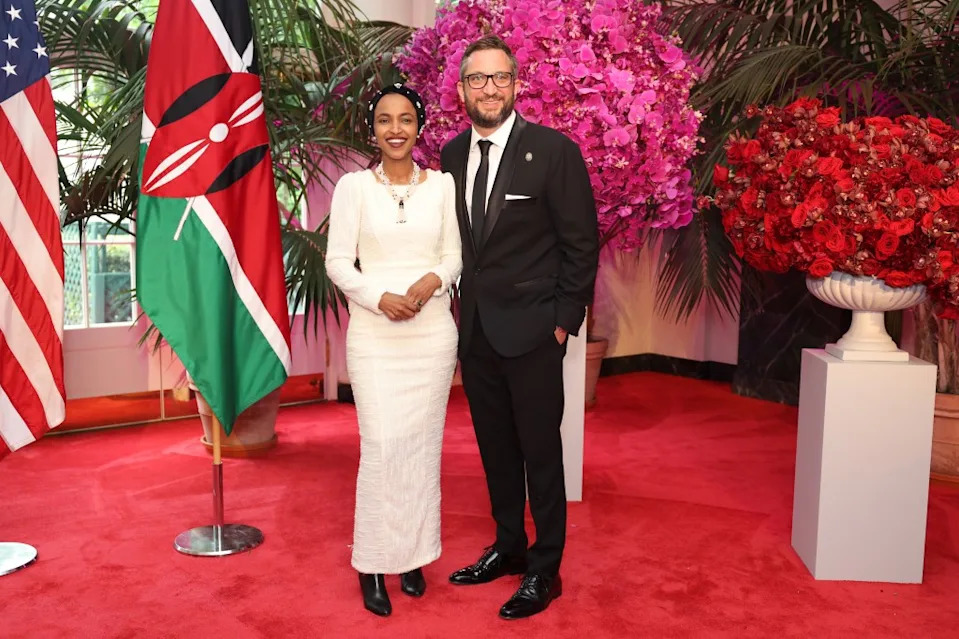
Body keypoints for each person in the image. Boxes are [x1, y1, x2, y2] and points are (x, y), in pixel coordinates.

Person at [440, 35, 600, 619]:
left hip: (534, 333)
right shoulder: (451, 155)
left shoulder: (554, 151)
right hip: (476, 332)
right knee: (495, 450)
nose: (489, 88)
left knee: (541, 455)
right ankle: (507, 548)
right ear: (461, 90)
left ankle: (545, 568)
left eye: (499, 78)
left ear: (516, 85)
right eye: (478, 79)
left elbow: (581, 244)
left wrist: (562, 323)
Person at [325, 84, 462, 617]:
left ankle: (413, 556)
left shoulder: (444, 186)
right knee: (381, 446)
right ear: (373, 128)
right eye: (385, 120)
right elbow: (338, 262)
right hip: (375, 333)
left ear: (421, 126)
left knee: (421, 447)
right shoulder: (353, 188)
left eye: (406, 119)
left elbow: (455, 254)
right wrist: (378, 297)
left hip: (431, 334)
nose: (396, 129)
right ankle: (373, 563)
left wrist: (433, 280)